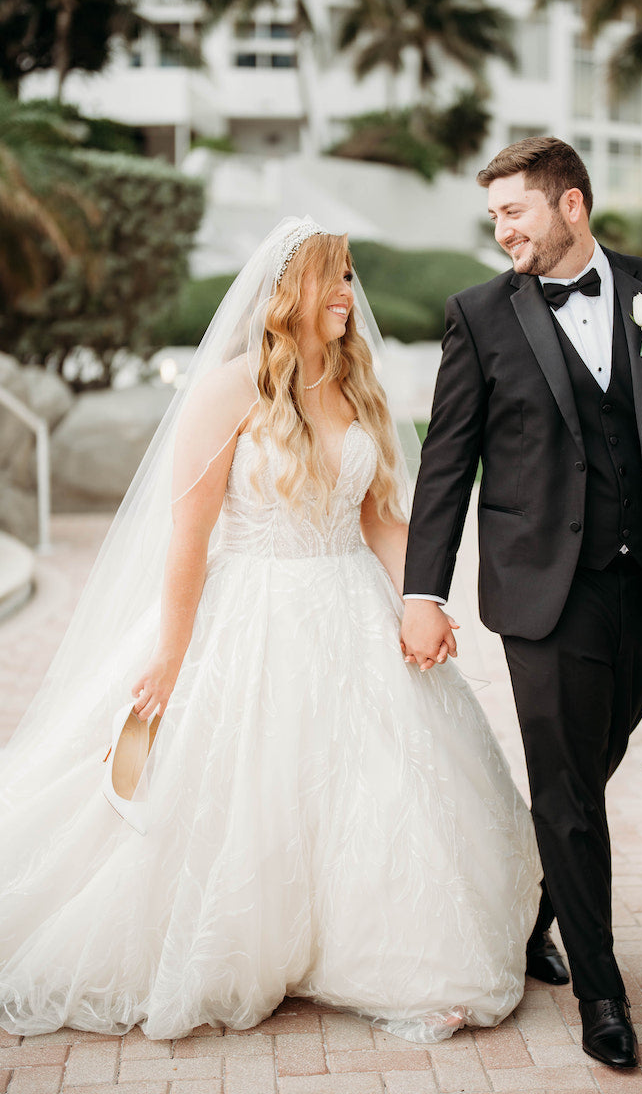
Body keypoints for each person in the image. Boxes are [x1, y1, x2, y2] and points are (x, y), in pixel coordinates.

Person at [0, 217, 540, 1043]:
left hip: (353, 607)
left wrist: (419, 601)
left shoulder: (358, 384)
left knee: (380, 787)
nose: (346, 293)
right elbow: (187, 539)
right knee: (250, 787)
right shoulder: (227, 390)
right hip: (252, 613)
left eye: (351, 275)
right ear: (285, 291)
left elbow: (384, 518)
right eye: (331, 277)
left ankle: (390, 954)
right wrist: (172, 656)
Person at [400, 138, 642, 1070]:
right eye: (494, 216)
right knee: (568, 790)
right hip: (539, 592)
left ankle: (529, 919)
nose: (501, 230)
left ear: (571, 205)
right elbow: (448, 461)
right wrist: (422, 591)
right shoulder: (479, 316)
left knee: (590, 770)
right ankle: (602, 993)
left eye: (514, 211)